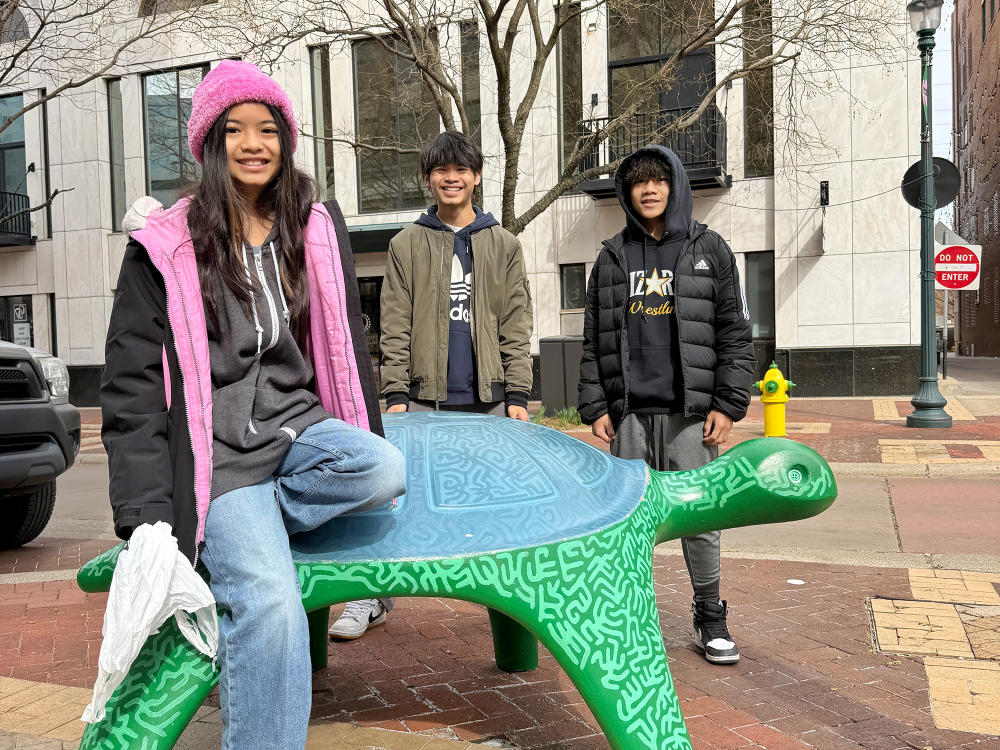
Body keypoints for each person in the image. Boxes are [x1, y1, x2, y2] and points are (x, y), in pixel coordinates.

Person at [100, 60, 405, 749]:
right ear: (210, 141)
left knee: (383, 469)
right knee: (271, 604)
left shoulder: (311, 227)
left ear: (286, 139)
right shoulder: (168, 246)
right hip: (225, 464)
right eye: (234, 129)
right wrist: (147, 516)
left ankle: (267, 519)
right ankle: (243, 530)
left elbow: (345, 346)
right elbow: (131, 384)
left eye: (267, 128)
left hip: (302, 439)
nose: (252, 143)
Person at [328, 130, 534, 640]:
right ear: (428, 179)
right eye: (441, 170)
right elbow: (394, 322)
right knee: (387, 499)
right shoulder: (406, 244)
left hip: (488, 399)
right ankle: (368, 596)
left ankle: (512, 610)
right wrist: (394, 393)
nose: (451, 178)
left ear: (476, 175)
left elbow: (516, 321)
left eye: (461, 169)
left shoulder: (503, 243)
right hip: (421, 397)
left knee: (500, 505)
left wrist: (519, 395)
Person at [577, 145, 754, 665]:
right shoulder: (611, 257)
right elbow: (593, 341)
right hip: (630, 415)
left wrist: (728, 402)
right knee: (626, 522)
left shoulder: (711, 250)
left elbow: (735, 334)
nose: (649, 190)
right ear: (627, 192)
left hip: (691, 415)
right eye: (638, 183)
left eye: (659, 181)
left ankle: (710, 615)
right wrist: (596, 407)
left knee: (700, 516)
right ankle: (629, 619)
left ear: (675, 185)